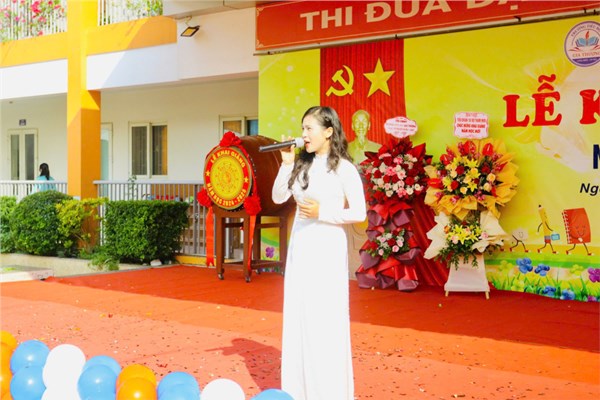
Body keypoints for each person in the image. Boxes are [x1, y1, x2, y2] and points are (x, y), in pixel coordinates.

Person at [272, 106, 367, 400]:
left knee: (324, 319)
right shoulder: (302, 165)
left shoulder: (344, 169)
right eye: (302, 129)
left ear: (328, 131)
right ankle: (297, 390)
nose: (303, 135)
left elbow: (359, 212)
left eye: (309, 129)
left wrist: (322, 212)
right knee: (299, 316)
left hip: (327, 249)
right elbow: (278, 196)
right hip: (301, 247)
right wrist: (286, 164)